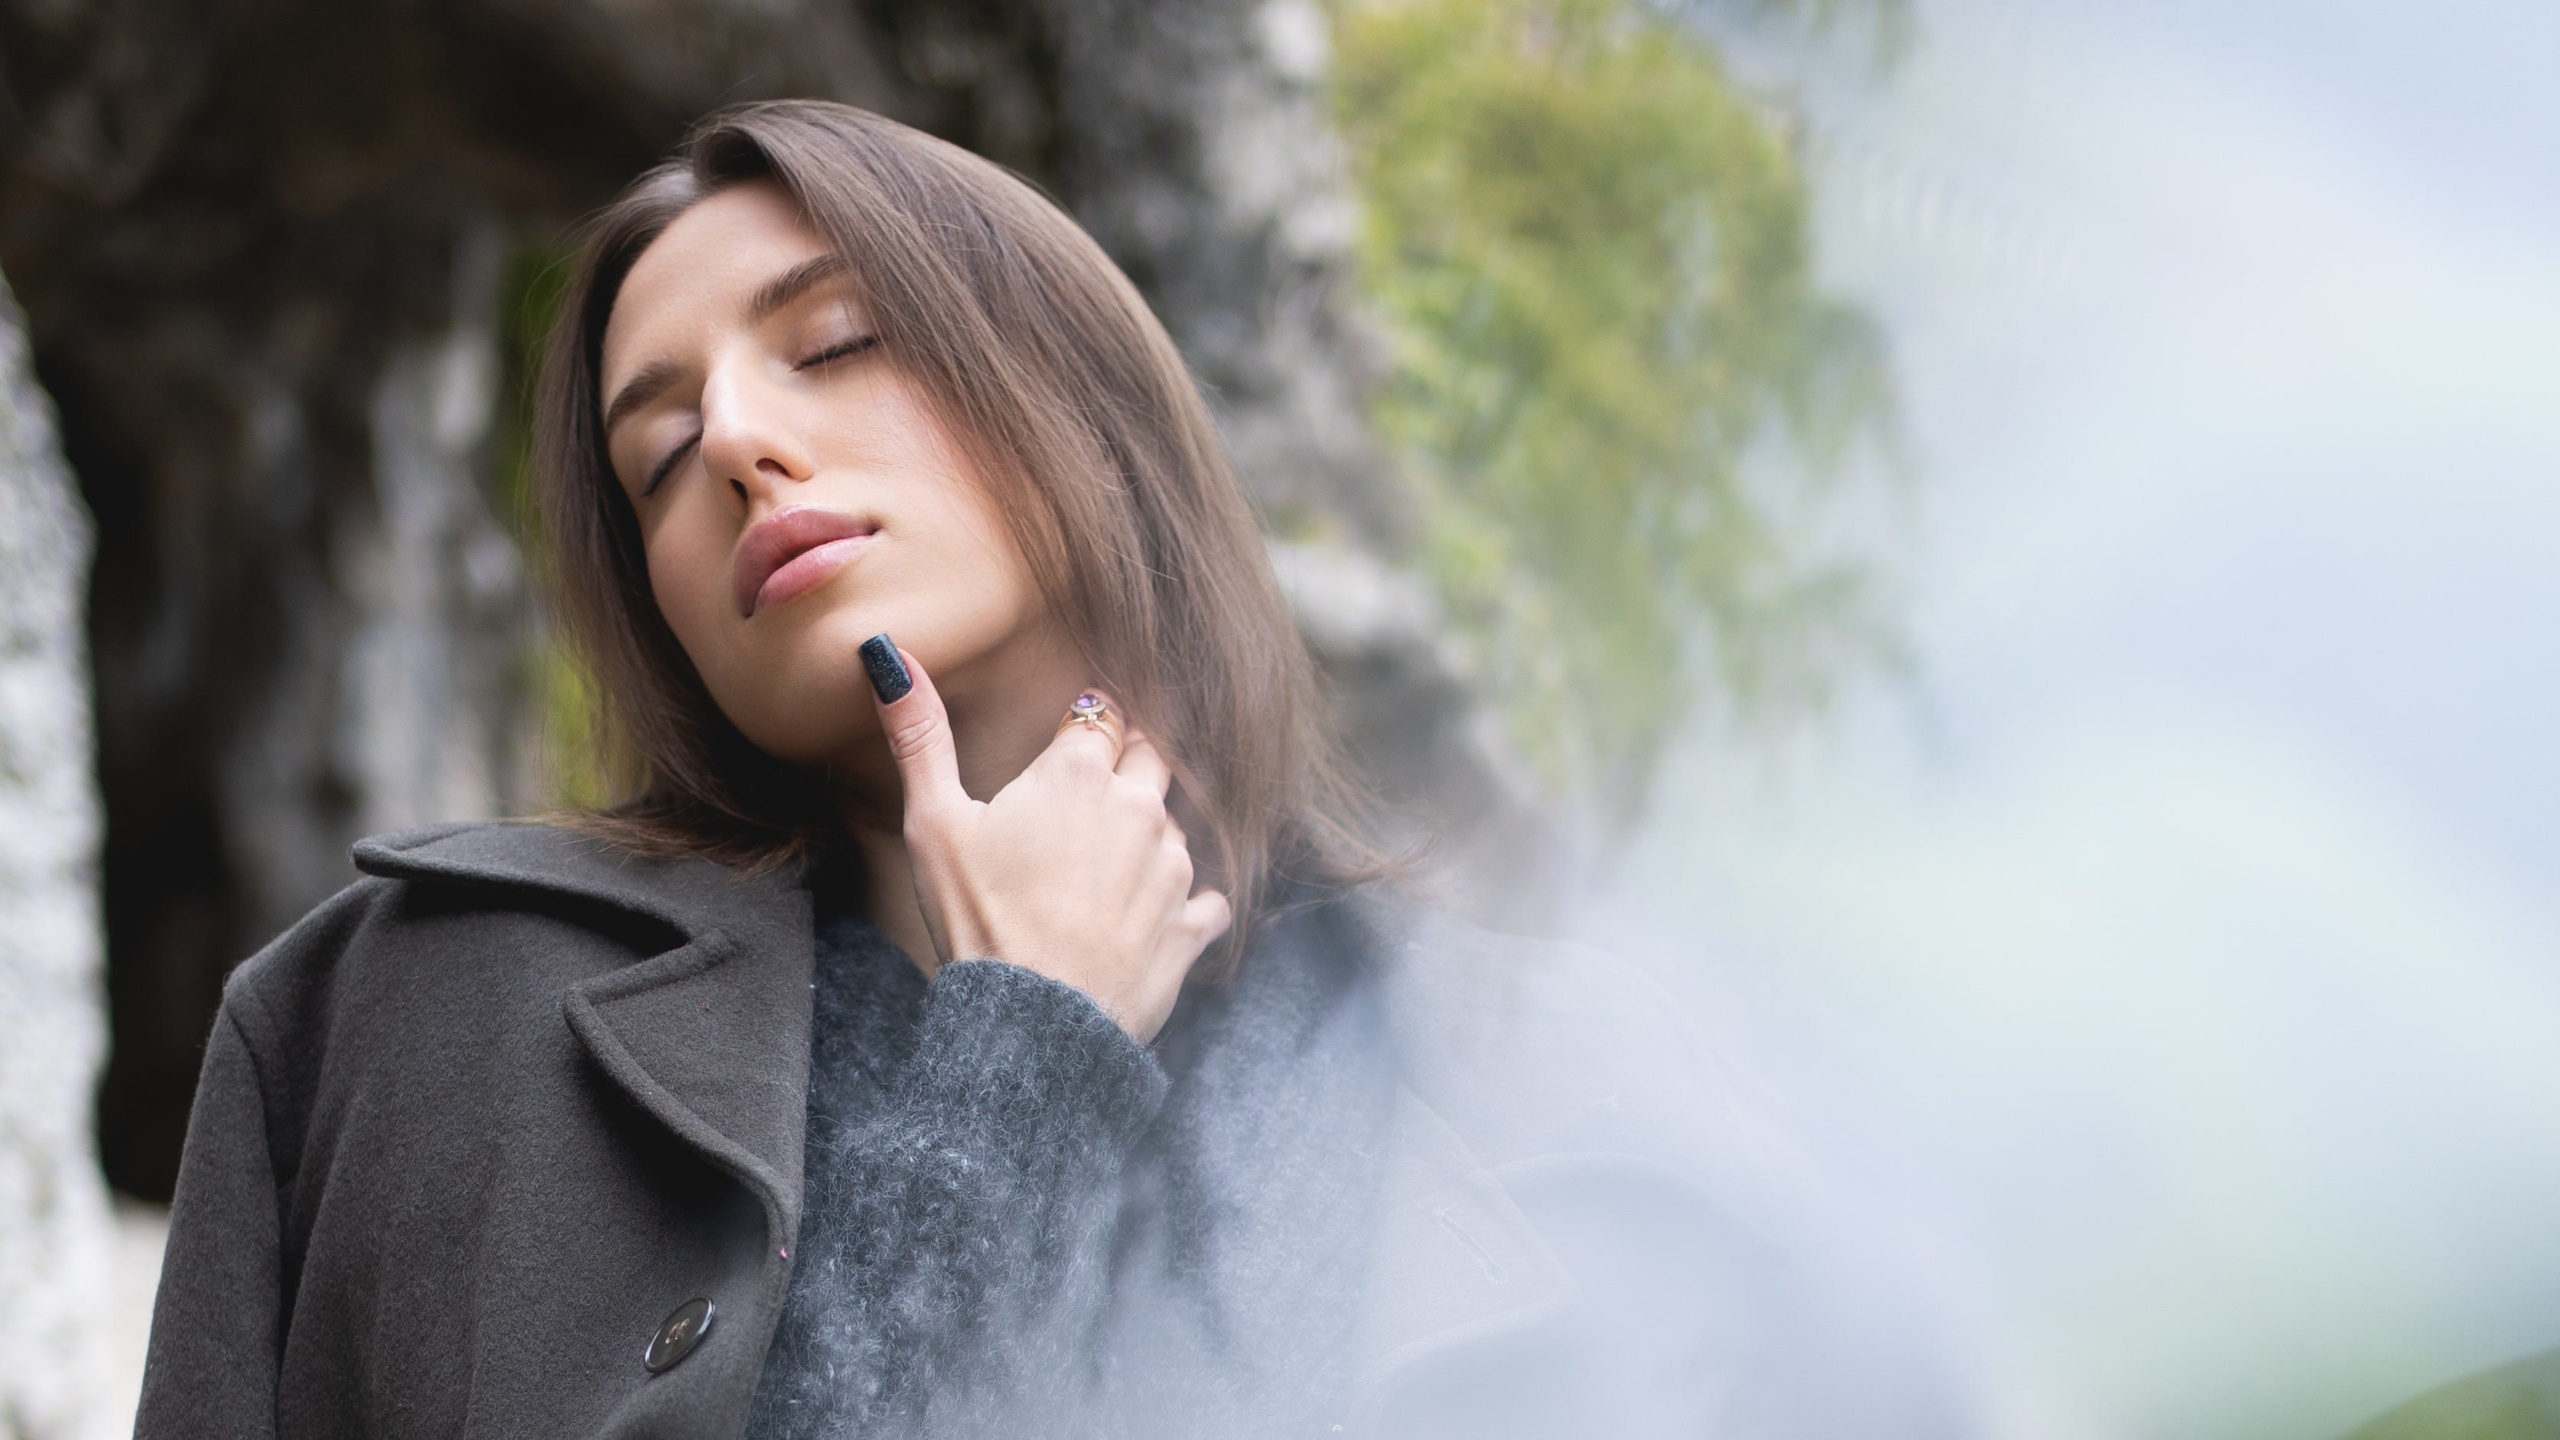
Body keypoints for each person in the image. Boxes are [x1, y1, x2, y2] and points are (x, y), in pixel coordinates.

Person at [133, 100, 1819, 1439]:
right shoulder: (406, 1022)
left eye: (841, 339)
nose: (731, 438)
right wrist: (1023, 1059)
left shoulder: (1587, 1088)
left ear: (1078, 398)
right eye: (655, 455)